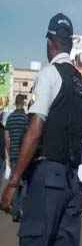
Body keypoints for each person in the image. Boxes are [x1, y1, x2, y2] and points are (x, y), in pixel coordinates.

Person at [1, 13, 82, 246]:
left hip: (47, 178)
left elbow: (35, 128)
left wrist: (12, 182)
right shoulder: (81, 84)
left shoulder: (50, 74)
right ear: (69, 44)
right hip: (72, 182)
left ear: (51, 42)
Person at [6, 93, 29, 222]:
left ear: (15, 103)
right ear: (23, 104)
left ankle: (15, 211)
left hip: (14, 156)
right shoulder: (25, 119)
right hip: (23, 156)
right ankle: (21, 209)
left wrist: (9, 155)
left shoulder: (9, 118)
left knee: (14, 183)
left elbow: (7, 139)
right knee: (24, 183)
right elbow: (27, 138)